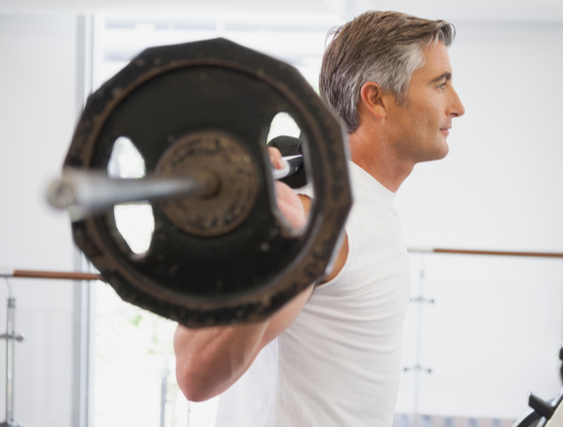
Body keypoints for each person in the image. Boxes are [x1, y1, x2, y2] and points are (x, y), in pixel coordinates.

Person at [173, 10, 465, 427]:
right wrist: (280, 253)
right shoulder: (325, 218)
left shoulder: (363, 203)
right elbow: (195, 374)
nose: (458, 106)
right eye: (441, 84)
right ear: (377, 99)